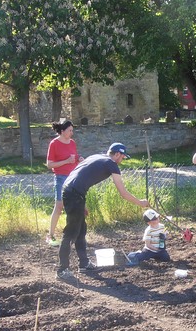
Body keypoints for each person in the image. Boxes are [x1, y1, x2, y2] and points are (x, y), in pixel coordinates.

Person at [56, 143, 149, 280]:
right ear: (117, 154)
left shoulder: (97, 156)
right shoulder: (111, 164)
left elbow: (78, 176)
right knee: (71, 232)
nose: (122, 160)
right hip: (74, 195)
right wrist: (140, 203)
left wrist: (82, 202)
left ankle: (84, 264)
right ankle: (62, 270)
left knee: (81, 230)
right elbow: (123, 192)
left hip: (73, 193)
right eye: (122, 157)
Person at [45, 120, 82, 247]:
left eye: (72, 130)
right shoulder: (54, 144)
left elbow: (74, 159)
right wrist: (66, 161)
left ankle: (74, 235)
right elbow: (49, 165)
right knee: (59, 206)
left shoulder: (72, 143)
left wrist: (79, 160)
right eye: (70, 130)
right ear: (62, 131)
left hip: (73, 177)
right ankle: (50, 235)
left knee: (74, 207)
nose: (72, 133)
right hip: (61, 177)